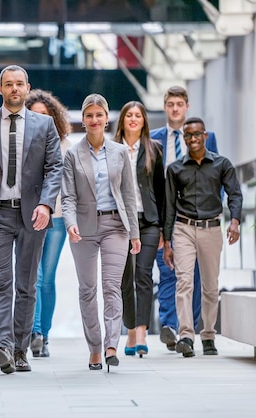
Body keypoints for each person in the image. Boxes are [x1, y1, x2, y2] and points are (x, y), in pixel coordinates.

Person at [0, 65, 63, 374]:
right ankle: (2, 346)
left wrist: (46, 205)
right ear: (0, 89)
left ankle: (20, 349)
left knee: (27, 285)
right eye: (9, 84)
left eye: (19, 84)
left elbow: (55, 168)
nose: (14, 89)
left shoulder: (45, 125)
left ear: (27, 87)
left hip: (33, 214)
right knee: (1, 283)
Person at [61, 93, 140, 371]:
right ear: (83, 120)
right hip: (83, 227)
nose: (94, 120)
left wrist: (134, 233)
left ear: (107, 118)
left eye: (99, 115)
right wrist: (69, 222)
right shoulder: (72, 154)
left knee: (111, 287)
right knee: (87, 289)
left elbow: (129, 194)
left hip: (115, 226)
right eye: (89, 115)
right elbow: (68, 196)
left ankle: (111, 345)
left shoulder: (119, 152)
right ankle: (94, 347)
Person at [163, 117, 242, 357]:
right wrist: (167, 242)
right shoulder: (175, 168)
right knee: (184, 282)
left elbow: (235, 194)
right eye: (188, 135)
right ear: (184, 138)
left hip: (211, 228)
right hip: (183, 228)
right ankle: (186, 335)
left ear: (205, 136)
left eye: (197, 134)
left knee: (210, 285)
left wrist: (235, 221)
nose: (193, 139)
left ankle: (208, 335)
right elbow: (169, 207)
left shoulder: (222, 164)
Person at [150, 86, 219, 351]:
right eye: (171, 104)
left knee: (196, 277)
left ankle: (193, 330)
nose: (175, 108)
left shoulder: (207, 137)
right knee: (168, 272)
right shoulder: (154, 139)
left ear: (187, 106)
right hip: (165, 217)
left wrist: (215, 205)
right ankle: (170, 327)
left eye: (180, 104)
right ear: (165, 107)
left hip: (198, 216)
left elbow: (217, 174)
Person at [113, 101, 164, 358]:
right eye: (129, 115)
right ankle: (130, 329)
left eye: (138, 116)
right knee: (125, 279)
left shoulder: (154, 149)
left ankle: (142, 332)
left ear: (144, 121)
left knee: (143, 275)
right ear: (122, 120)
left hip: (149, 221)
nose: (133, 119)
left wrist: (165, 229)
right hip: (121, 222)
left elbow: (160, 191)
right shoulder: (111, 150)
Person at [25, 89, 72, 358]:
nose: (40, 119)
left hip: (56, 218)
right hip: (29, 218)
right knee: (34, 276)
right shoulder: (21, 143)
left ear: (53, 117)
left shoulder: (64, 144)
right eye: (34, 115)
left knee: (47, 279)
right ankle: (36, 332)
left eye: (44, 114)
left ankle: (44, 334)